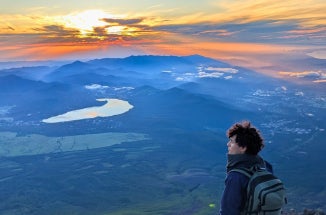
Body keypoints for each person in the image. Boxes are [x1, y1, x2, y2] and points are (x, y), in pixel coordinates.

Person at [219, 120, 270, 215]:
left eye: (232, 141)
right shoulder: (265, 167)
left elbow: (228, 211)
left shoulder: (236, 176)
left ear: (243, 147)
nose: (228, 144)